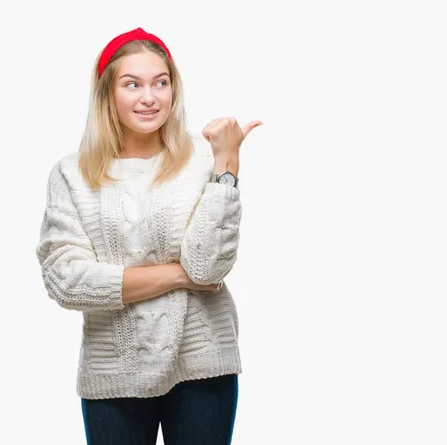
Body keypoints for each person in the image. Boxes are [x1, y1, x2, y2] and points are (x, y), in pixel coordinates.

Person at [35, 27, 262, 445]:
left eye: (161, 82)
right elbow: (67, 281)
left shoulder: (203, 159)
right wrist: (179, 277)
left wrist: (227, 160)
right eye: (132, 84)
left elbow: (208, 266)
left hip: (202, 363)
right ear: (107, 93)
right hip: (113, 370)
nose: (149, 97)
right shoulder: (72, 173)